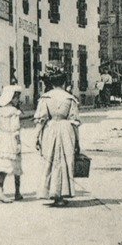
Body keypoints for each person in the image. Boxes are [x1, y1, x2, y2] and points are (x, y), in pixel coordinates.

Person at [34, 65, 80, 206]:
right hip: (66, 129)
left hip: (50, 128)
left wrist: (36, 136)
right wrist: (77, 141)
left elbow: (40, 119)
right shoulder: (70, 98)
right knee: (65, 159)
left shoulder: (45, 98)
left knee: (50, 159)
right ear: (64, 83)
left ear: (51, 83)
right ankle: (61, 194)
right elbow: (75, 121)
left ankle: (51, 193)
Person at [0, 85, 24, 202]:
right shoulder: (14, 112)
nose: (18, 100)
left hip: (2, 138)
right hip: (11, 139)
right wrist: (18, 142)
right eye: (16, 97)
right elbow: (15, 129)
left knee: (4, 165)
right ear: (10, 97)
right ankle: (17, 192)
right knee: (16, 165)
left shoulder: (0, 111)